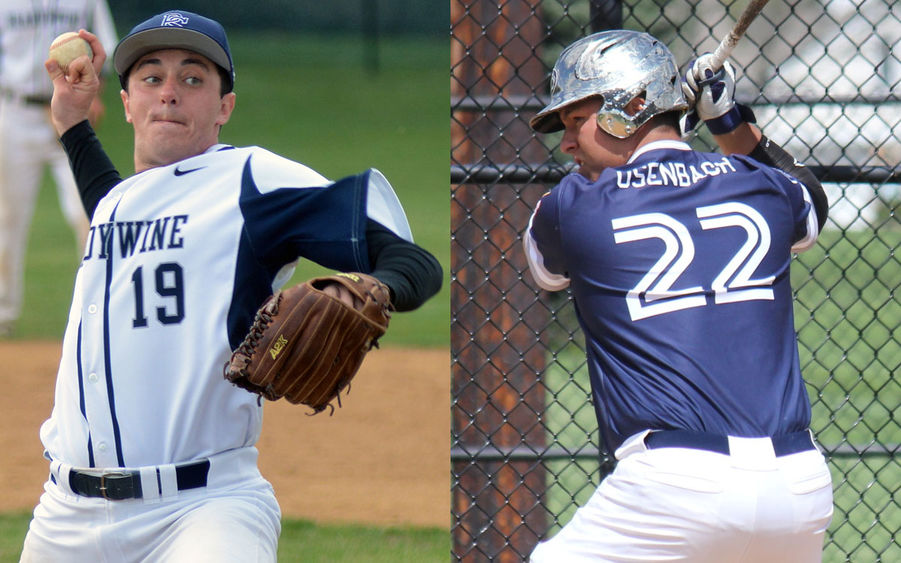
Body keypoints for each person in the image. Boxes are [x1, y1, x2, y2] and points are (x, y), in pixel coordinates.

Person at [20, 10, 442, 562]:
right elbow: (112, 207)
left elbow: (410, 258)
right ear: (125, 103)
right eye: (151, 78)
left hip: (201, 510)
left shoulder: (251, 180)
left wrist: (376, 290)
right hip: (66, 518)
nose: (169, 93)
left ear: (225, 107)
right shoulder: (118, 205)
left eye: (193, 79)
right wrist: (74, 126)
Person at [523, 30, 833, 562]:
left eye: (578, 120)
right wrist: (725, 119)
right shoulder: (756, 184)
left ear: (634, 104)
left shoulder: (571, 206)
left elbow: (547, 273)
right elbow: (810, 205)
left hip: (675, 485)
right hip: (800, 487)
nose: (567, 142)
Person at [0, 0, 117, 338]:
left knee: (91, 215)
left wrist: (91, 98)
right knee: (7, 217)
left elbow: (103, 49)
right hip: (16, 112)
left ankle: (99, 310)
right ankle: (3, 315)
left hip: (72, 112)